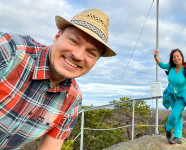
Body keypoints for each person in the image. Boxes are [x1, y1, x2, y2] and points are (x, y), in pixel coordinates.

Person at [0, 9, 116, 149]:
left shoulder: (72, 100)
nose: (78, 55)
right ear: (57, 36)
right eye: (73, 41)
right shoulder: (10, 50)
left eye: (91, 53)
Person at [154, 48, 186, 144]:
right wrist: (156, 57)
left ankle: (168, 129)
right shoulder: (171, 67)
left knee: (174, 116)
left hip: (182, 97)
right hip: (172, 95)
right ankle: (178, 137)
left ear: (182, 57)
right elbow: (161, 65)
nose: (176, 58)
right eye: (173, 57)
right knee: (178, 116)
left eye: (178, 56)